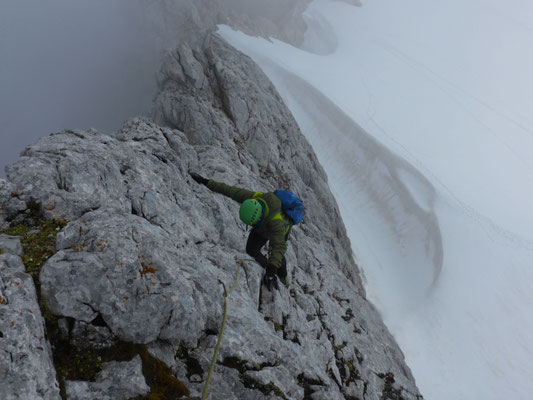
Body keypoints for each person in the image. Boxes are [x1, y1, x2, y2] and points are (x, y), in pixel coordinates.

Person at [189, 171, 291, 291]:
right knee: (251, 250)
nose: (251, 225)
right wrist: (205, 181)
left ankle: (283, 278)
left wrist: (272, 271)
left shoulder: (276, 222)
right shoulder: (253, 198)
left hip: (280, 230)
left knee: (278, 255)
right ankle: (267, 265)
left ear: (259, 217)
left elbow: (278, 246)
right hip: (262, 227)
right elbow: (231, 190)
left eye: (252, 223)